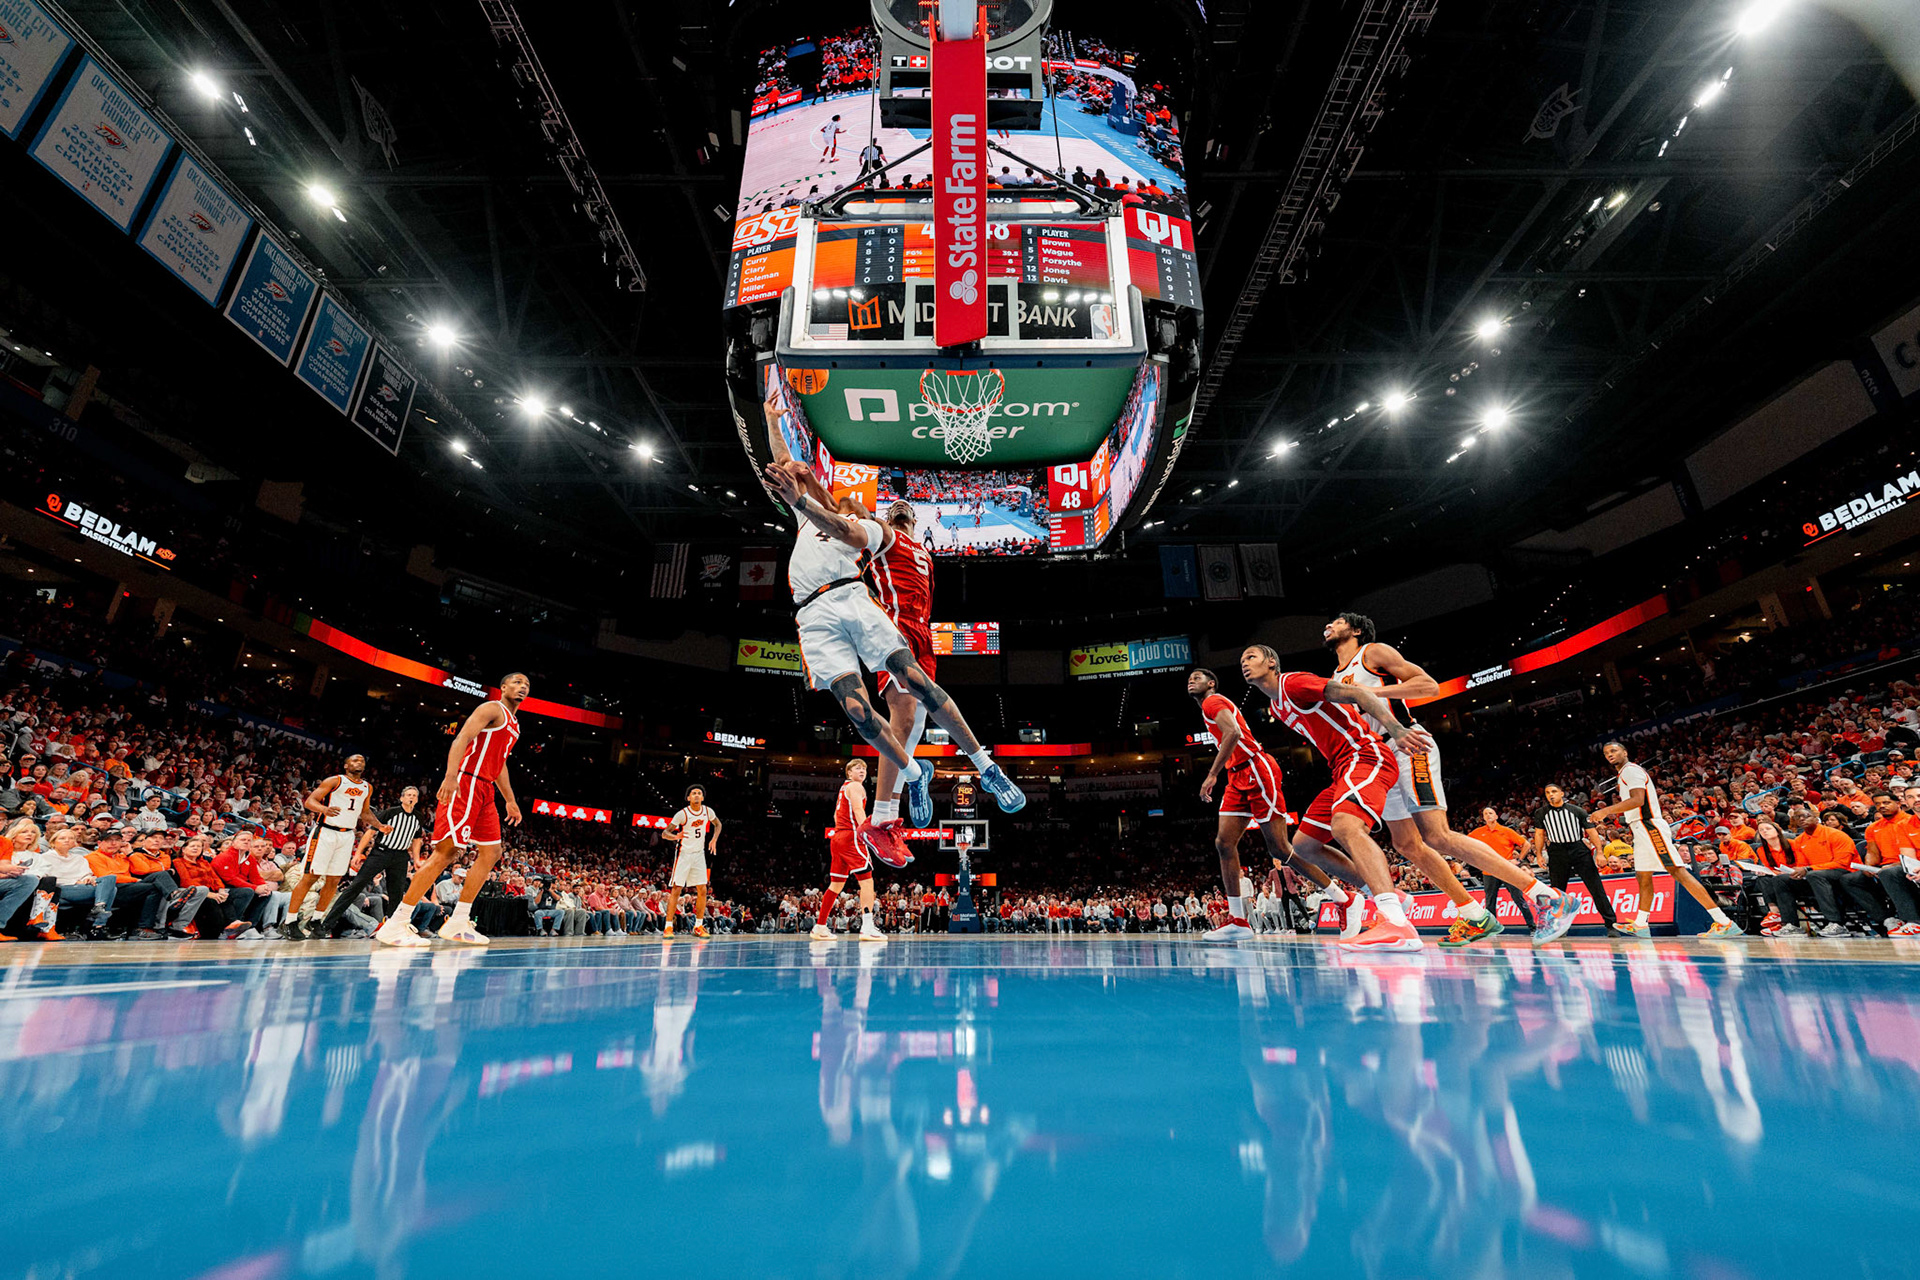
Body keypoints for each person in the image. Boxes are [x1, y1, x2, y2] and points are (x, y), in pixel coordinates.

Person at [762, 386, 1023, 870]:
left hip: (912, 628)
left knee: (916, 711)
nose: (899, 510)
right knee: (889, 712)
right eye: (892, 509)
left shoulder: (918, 550)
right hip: (839, 614)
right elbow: (796, 479)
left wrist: (815, 494)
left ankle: (928, 782)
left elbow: (824, 504)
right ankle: (896, 803)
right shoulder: (862, 532)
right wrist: (774, 424)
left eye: (906, 511)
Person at [1324, 613, 1578, 946]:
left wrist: (1373, 693)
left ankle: (1548, 897)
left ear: (1355, 630)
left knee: (1438, 836)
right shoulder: (1334, 677)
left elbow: (1428, 685)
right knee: (1406, 844)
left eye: (1337, 621)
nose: (1328, 625)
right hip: (1379, 758)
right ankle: (1474, 914)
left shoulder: (1372, 653)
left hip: (1407, 744)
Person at [1238, 643, 1434, 952]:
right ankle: (1387, 895)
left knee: (1346, 827)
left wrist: (1395, 729)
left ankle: (1398, 925)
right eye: (1242, 660)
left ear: (1271, 662)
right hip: (1341, 769)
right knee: (1303, 847)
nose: (1244, 663)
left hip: (1365, 755)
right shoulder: (1276, 707)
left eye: (1251, 656)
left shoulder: (1293, 683)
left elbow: (1359, 694)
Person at [1188, 666, 1357, 942]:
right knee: (1224, 843)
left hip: (1256, 769)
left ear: (1211, 683)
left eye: (1197, 678)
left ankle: (1342, 898)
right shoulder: (1207, 706)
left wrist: (1211, 774)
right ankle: (1238, 921)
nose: (1191, 682)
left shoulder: (1212, 701)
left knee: (1279, 847)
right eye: (1189, 679)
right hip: (1237, 775)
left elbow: (1233, 734)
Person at [374, 675, 529, 948]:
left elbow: (500, 763)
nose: (523, 686)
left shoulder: (515, 724)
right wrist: (450, 775)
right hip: (466, 781)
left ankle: (459, 921)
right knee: (446, 853)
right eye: (516, 681)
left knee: (492, 852)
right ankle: (396, 922)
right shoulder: (492, 708)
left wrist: (510, 799)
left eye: (527, 683)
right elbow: (462, 737)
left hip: (486, 789)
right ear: (503, 687)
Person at [1588, 741, 1739, 938]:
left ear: (1625, 752)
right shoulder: (1624, 773)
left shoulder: (1631, 771)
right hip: (1640, 828)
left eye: (1614, 750)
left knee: (1678, 872)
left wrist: (1605, 811)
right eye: (1606, 752)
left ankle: (1724, 922)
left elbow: (1637, 800)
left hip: (1649, 826)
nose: (1609, 754)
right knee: (1642, 875)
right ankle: (1641, 923)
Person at [281, 754, 374, 940]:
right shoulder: (335, 780)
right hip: (325, 832)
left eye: (362, 761)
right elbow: (309, 802)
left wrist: (380, 826)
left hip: (348, 834)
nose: (359, 763)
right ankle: (289, 922)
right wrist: (324, 810)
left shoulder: (367, 787)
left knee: (334, 879)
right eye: (355, 760)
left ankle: (316, 920)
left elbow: (365, 812)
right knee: (311, 876)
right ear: (346, 765)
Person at [319, 786, 430, 938]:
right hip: (381, 852)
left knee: (396, 893)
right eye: (409, 795)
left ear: (417, 800)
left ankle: (393, 929)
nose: (411, 797)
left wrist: (416, 858)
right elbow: (370, 832)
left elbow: (417, 839)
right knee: (356, 886)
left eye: (414, 795)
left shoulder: (419, 816)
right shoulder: (390, 812)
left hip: (401, 856)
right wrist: (358, 853)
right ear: (402, 798)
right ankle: (326, 925)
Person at [813, 760, 886, 943]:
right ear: (849, 772)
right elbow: (858, 809)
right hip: (852, 837)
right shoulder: (855, 786)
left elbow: (836, 816)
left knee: (836, 885)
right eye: (857, 768)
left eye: (864, 768)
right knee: (867, 881)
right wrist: (868, 833)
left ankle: (820, 926)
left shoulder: (843, 788)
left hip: (838, 838)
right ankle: (868, 927)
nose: (862, 771)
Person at [1530, 785, 1619, 935]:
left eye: (1554, 792)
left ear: (1562, 794)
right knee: (1558, 892)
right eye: (1547, 793)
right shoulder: (1541, 813)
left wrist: (1600, 853)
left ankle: (1611, 924)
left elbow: (1591, 832)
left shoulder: (1577, 810)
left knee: (1596, 888)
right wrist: (1539, 854)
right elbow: (1539, 835)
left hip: (1578, 849)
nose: (1550, 795)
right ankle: (1559, 928)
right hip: (1557, 852)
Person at [662, 786, 722, 940]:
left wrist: (714, 839)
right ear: (688, 798)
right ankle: (668, 927)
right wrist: (676, 836)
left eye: (699, 793)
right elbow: (665, 833)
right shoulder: (682, 814)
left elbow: (718, 824)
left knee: (702, 889)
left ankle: (698, 926)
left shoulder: (708, 812)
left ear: (703, 798)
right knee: (676, 889)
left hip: (699, 855)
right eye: (693, 793)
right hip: (683, 854)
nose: (696, 795)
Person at [1465, 807, 1535, 930]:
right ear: (1483, 818)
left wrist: (1518, 860)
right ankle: (1492, 929)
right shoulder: (1478, 832)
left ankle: (1533, 926)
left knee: (1518, 898)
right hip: (1489, 871)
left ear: (1497, 816)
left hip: (1507, 870)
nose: (1488, 815)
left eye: (1490, 813)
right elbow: (1464, 843)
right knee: (1490, 901)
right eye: (1485, 814)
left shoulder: (1506, 831)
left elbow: (1526, 844)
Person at [1861, 793, 1920, 935]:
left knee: (1890, 873)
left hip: (1900, 865)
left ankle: (1913, 920)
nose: (1882, 806)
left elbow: (1909, 857)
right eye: (1878, 804)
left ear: (1899, 803)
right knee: (1850, 880)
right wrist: (1868, 867)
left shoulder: (1905, 821)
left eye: (1886, 802)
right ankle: (1888, 919)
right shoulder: (1873, 827)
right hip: (1898, 864)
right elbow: (1872, 853)